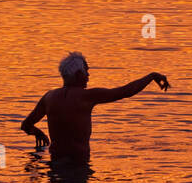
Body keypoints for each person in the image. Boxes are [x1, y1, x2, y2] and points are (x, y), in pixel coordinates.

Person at [21, 53, 169, 160]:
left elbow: (26, 125)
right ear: (79, 74)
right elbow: (125, 92)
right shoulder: (87, 96)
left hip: (55, 162)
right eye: (87, 71)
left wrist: (38, 133)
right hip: (79, 163)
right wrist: (152, 76)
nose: (88, 76)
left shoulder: (49, 97)